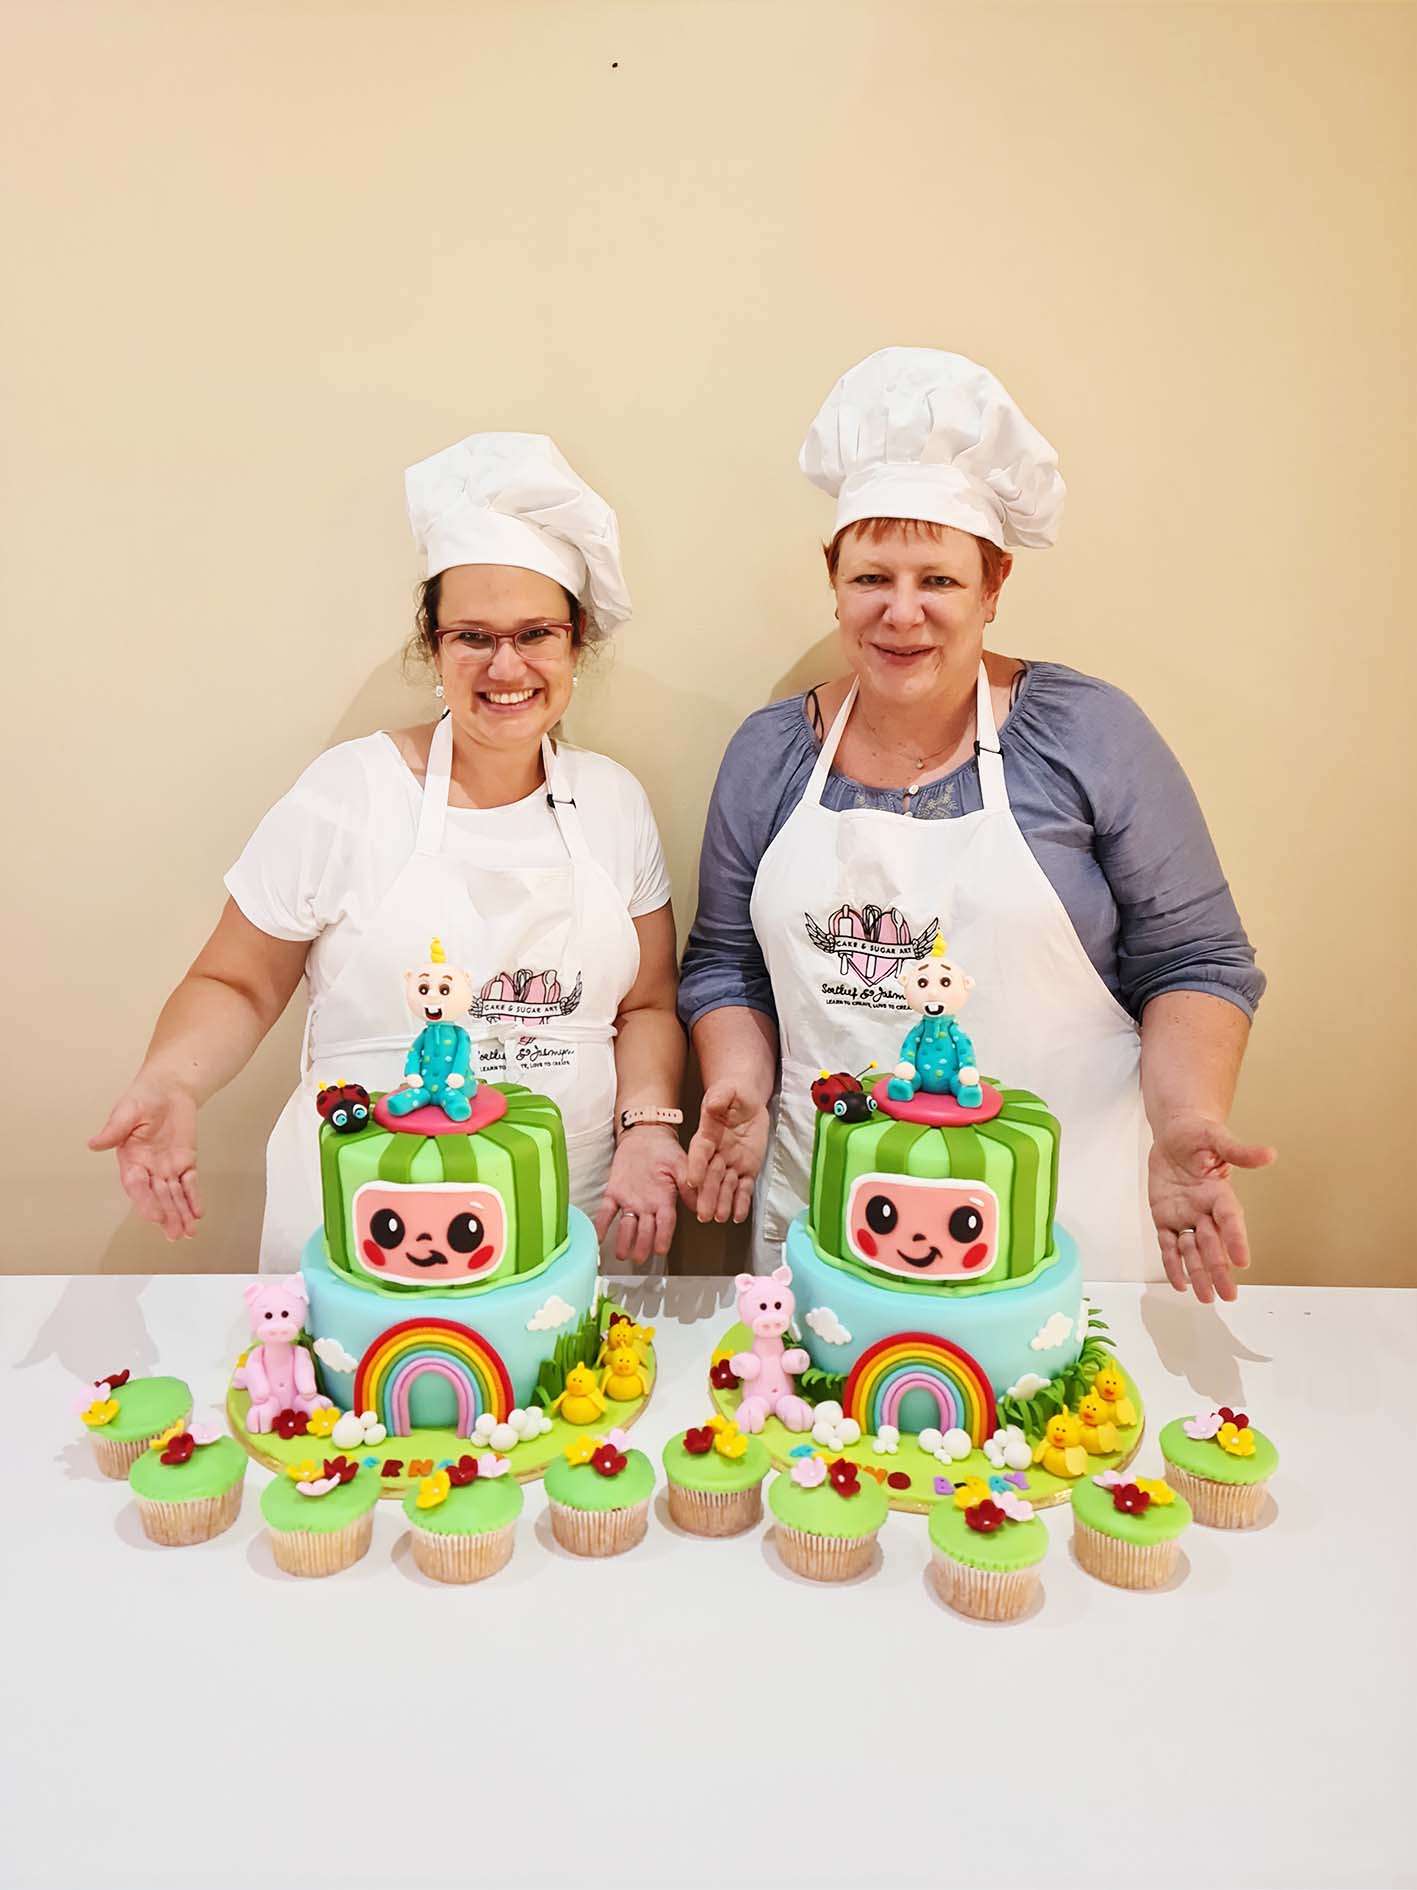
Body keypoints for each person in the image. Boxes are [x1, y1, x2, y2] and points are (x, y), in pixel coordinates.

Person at [679, 349, 1273, 1304]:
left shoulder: (1088, 735)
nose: (901, 613)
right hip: (827, 1223)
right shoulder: (768, 754)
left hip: (1059, 1229)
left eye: (939, 581)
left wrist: (1184, 1118)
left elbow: (1193, 961)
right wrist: (738, 1084)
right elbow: (724, 965)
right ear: (831, 579)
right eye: (871, 576)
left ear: (994, 586)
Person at [92, 431, 686, 1270]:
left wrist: (648, 1128)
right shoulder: (350, 791)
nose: (505, 665)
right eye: (472, 636)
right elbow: (237, 981)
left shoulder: (614, 802)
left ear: (575, 641)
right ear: (433, 645)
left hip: (576, 1204)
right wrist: (171, 1081)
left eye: (535, 633)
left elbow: (647, 1006)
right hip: (366, 1215)